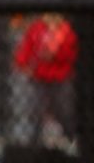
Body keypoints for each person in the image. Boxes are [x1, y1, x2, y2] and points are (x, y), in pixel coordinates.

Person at [14, 13, 78, 145]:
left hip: (60, 77)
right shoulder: (36, 29)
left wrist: (55, 55)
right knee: (36, 109)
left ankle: (71, 137)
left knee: (64, 110)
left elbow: (71, 55)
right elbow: (25, 50)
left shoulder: (66, 31)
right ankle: (34, 142)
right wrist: (24, 65)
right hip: (40, 78)